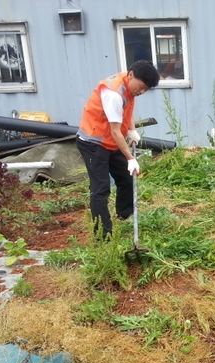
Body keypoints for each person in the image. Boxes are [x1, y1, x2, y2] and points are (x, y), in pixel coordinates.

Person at [76, 60, 160, 238]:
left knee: (126, 178)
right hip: (93, 142)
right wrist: (130, 158)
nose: (142, 91)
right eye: (142, 87)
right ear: (131, 75)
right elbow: (115, 131)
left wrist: (131, 129)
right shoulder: (113, 93)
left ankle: (125, 215)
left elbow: (126, 109)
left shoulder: (129, 86)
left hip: (110, 141)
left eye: (147, 89)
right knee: (101, 188)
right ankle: (103, 235)